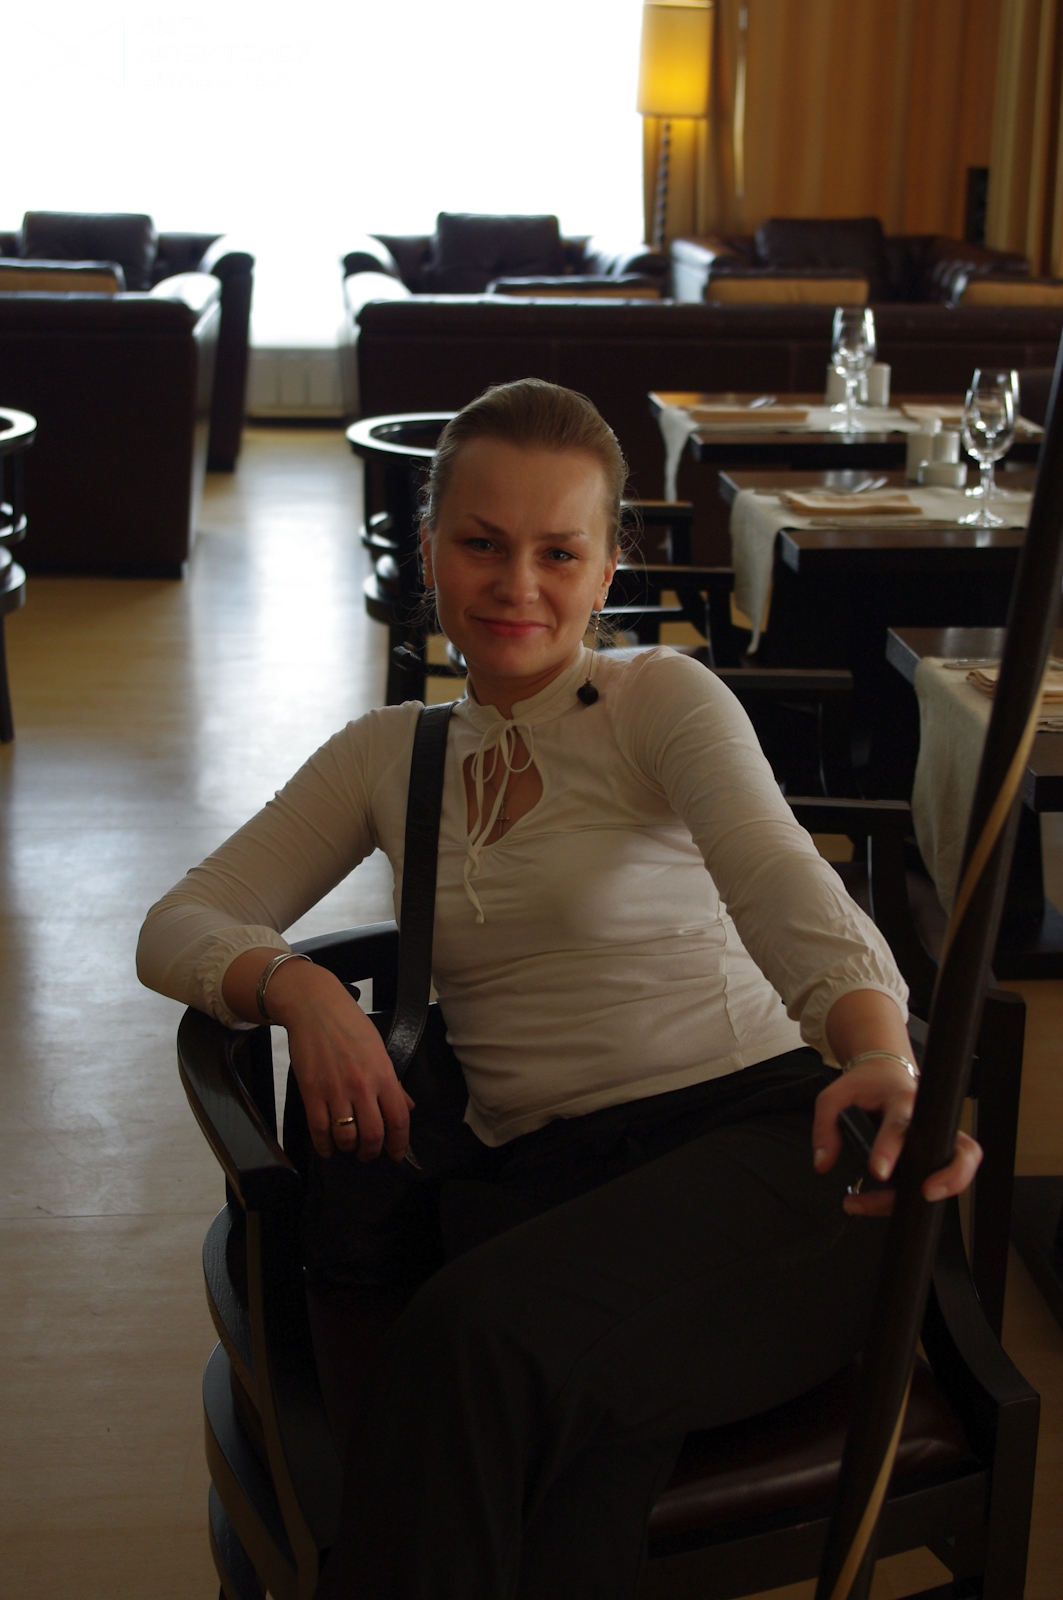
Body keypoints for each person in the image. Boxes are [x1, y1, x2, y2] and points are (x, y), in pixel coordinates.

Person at [137, 379, 980, 1600]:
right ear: (430, 546)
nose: (516, 584)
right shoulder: (389, 753)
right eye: (481, 543)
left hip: (771, 1147)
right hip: (558, 1195)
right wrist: (296, 987)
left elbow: (780, 877)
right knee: (547, 1459)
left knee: (469, 1340)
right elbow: (178, 922)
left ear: (605, 569)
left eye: (558, 552)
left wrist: (876, 1051)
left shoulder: (660, 698)